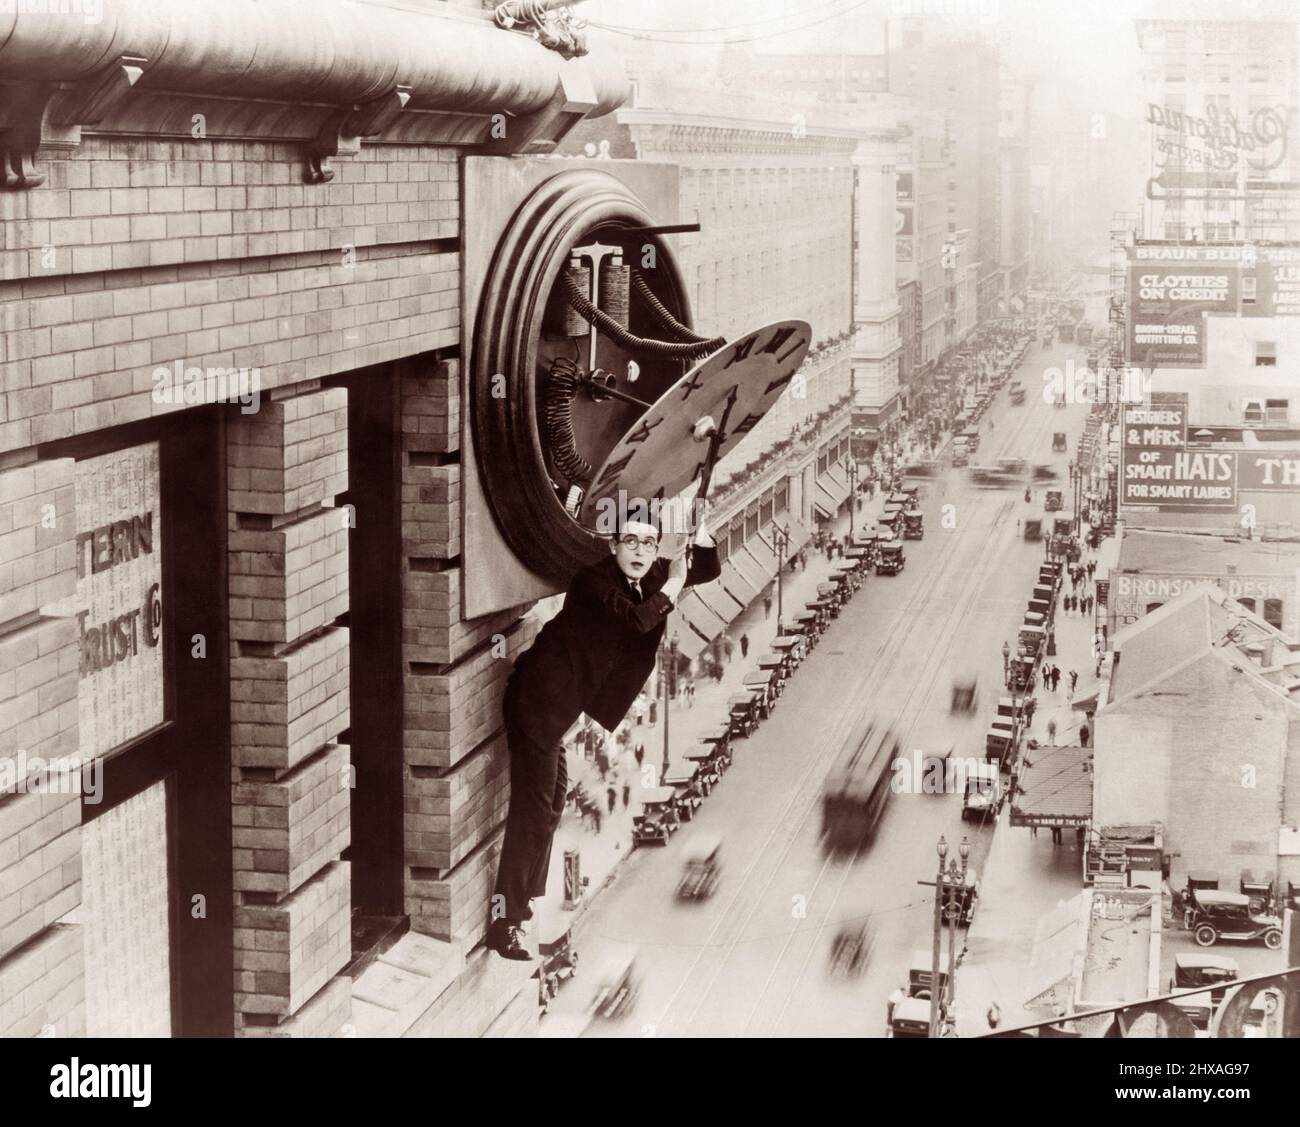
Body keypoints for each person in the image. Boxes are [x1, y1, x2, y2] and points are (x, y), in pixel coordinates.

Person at [486, 513, 720, 960]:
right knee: (532, 812)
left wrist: (701, 532)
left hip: (560, 711)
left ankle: (528, 895)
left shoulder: (647, 574)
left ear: (655, 550)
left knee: (554, 798)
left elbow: (702, 569)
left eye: (648, 544)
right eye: (629, 541)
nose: (638, 551)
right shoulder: (593, 584)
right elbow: (637, 620)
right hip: (537, 702)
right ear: (613, 546)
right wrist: (672, 584)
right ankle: (506, 921)